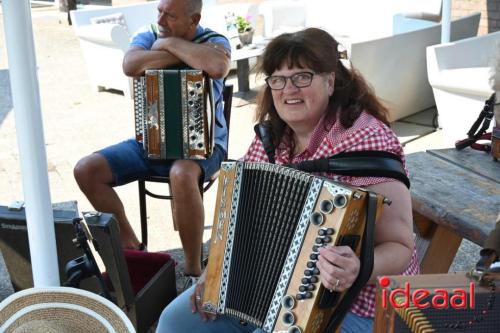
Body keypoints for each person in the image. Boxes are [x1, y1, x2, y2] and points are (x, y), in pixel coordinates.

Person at [155, 27, 419, 333]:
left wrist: (358, 267)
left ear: (330, 81)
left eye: (302, 77)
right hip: (266, 289)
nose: (288, 89)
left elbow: (401, 246)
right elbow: (237, 216)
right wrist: (214, 269)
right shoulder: (273, 137)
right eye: (278, 79)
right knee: (175, 322)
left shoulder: (367, 141)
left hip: (361, 303)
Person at [73, 0, 231, 284]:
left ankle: (193, 270)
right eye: (159, 11)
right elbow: (130, 64)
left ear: (193, 20)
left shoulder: (215, 40)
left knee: (181, 173)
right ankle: (133, 251)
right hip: (152, 140)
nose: (160, 19)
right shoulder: (147, 33)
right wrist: (183, 52)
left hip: (204, 145)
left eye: (169, 15)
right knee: (87, 169)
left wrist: (167, 45)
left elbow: (217, 65)